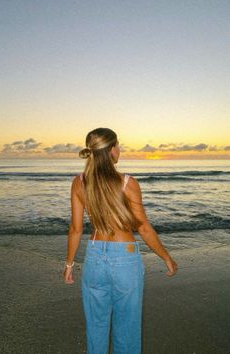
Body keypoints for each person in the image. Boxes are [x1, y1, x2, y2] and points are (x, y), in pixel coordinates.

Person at [63, 127, 178, 354]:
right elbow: (143, 228)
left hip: (94, 258)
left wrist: (69, 264)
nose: (120, 149)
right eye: (118, 145)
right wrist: (166, 257)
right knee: (127, 327)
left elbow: (75, 229)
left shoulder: (79, 182)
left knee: (96, 326)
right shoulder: (127, 183)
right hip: (125, 259)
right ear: (113, 150)